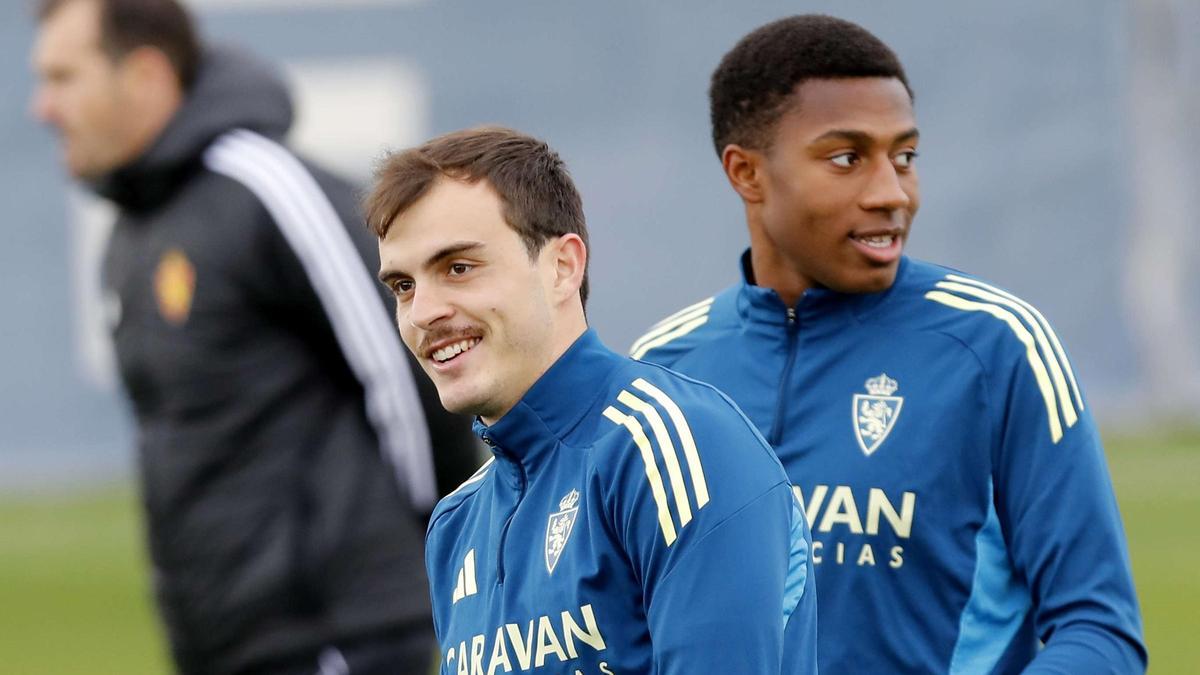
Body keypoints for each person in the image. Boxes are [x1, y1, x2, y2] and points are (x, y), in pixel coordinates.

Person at [633, 14, 1147, 674]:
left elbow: (1099, 630)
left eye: (904, 157)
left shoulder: (996, 347)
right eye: (847, 158)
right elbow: (622, 631)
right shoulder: (662, 375)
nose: (891, 192)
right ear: (747, 173)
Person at [30, 1, 480, 673]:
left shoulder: (264, 187)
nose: (43, 107)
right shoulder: (134, 229)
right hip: (228, 647)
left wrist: (442, 542)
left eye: (64, 77)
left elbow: (406, 367)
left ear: (146, 75)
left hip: (337, 635)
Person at [365, 126, 818, 674]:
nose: (422, 313)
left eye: (458, 268)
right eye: (403, 287)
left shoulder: (676, 447)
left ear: (562, 267)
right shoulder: (456, 522)